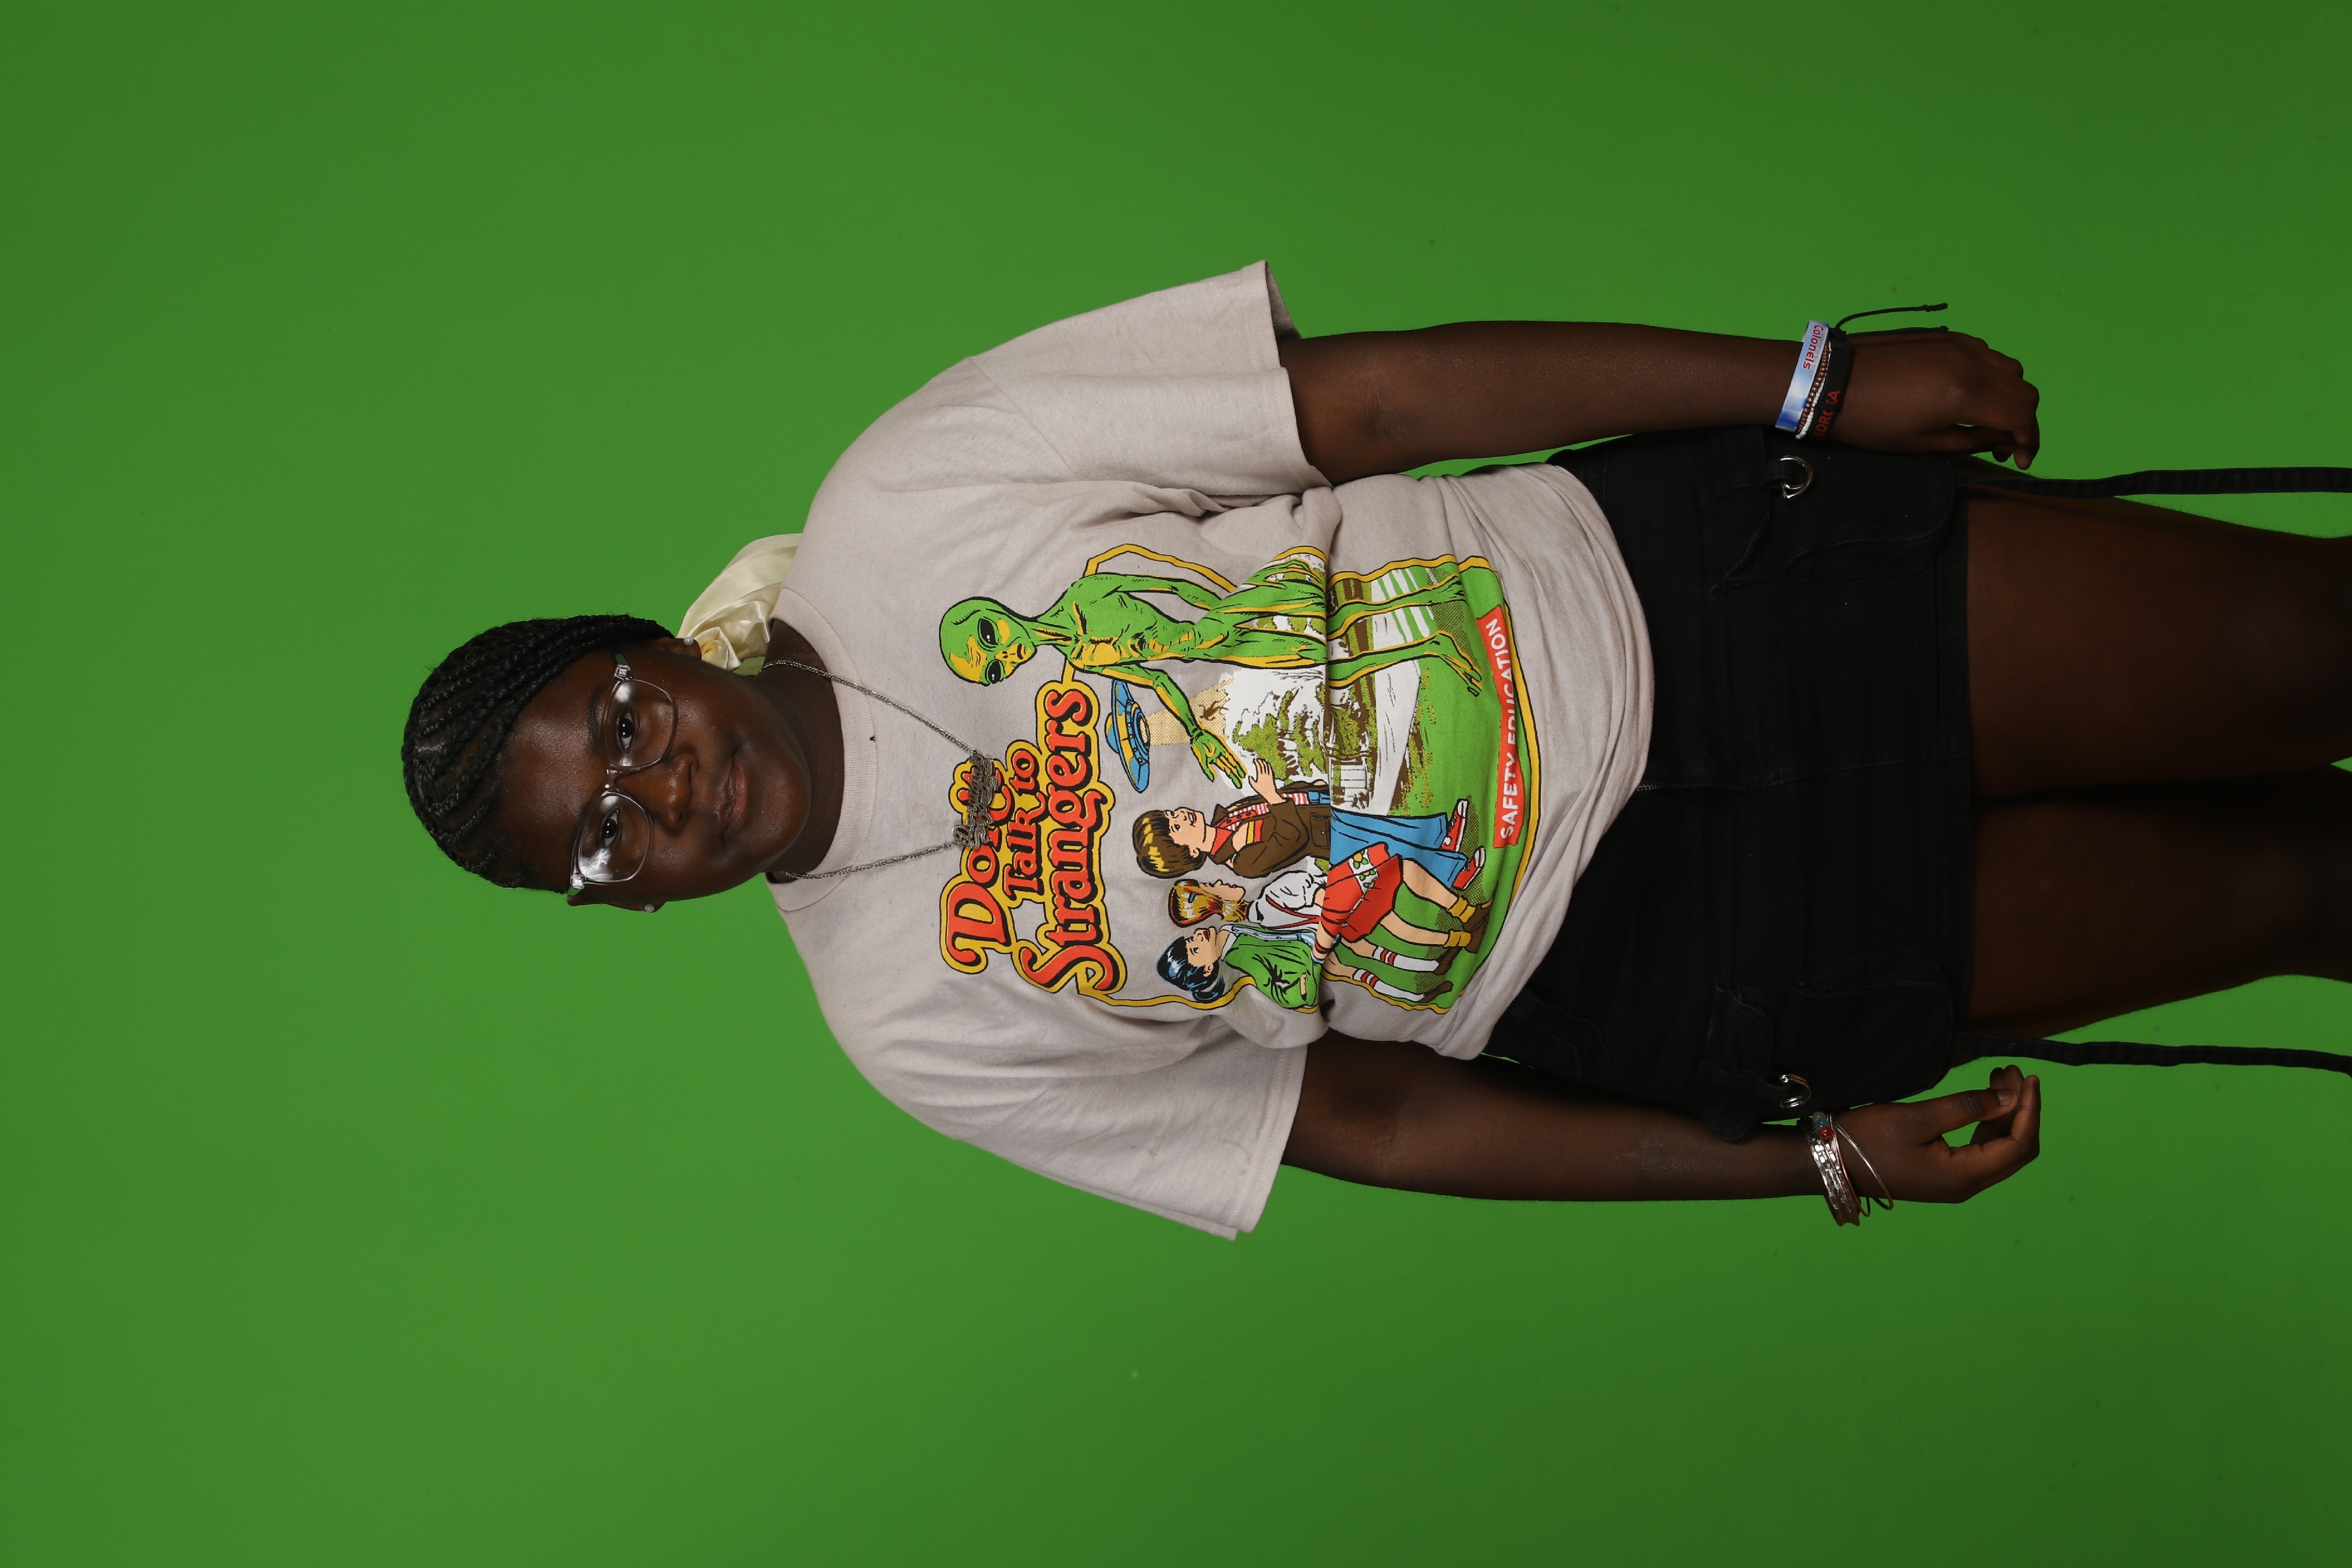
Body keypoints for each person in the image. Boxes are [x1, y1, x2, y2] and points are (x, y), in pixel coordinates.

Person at [402, 263, 2352, 1237]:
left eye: (620, 729)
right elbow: (1369, 1123)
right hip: (1687, 963)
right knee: (2297, 890)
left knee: (2313, 649)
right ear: (625, 905)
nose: (656, 794)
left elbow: (1377, 404)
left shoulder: (908, 495)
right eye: (605, 840)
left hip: (1697, 599)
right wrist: (1810, 1161)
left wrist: (1805, 385)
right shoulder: (910, 1028)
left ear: (652, 644)